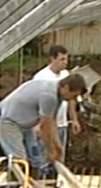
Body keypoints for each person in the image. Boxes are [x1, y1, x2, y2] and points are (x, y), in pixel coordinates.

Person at [0, 74, 87, 177]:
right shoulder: (49, 96)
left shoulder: (58, 94)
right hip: (8, 122)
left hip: (25, 125)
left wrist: (58, 147)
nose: (72, 99)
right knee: (20, 161)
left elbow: (52, 121)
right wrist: (51, 151)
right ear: (66, 87)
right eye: (73, 95)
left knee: (36, 161)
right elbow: (45, 127)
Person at [32, 45, 81, 174]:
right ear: (52, 59)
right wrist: (38, 125)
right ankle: (40, 185)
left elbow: (71, 99)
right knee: (44, 157)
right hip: (46, 124)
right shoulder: (41, 77)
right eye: (62, 59)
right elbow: (35, 102)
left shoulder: (66, 75)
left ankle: (54, 185)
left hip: (61, 124)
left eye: (66, 59)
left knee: (58, 158)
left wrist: (74, 119)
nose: (65, 63)